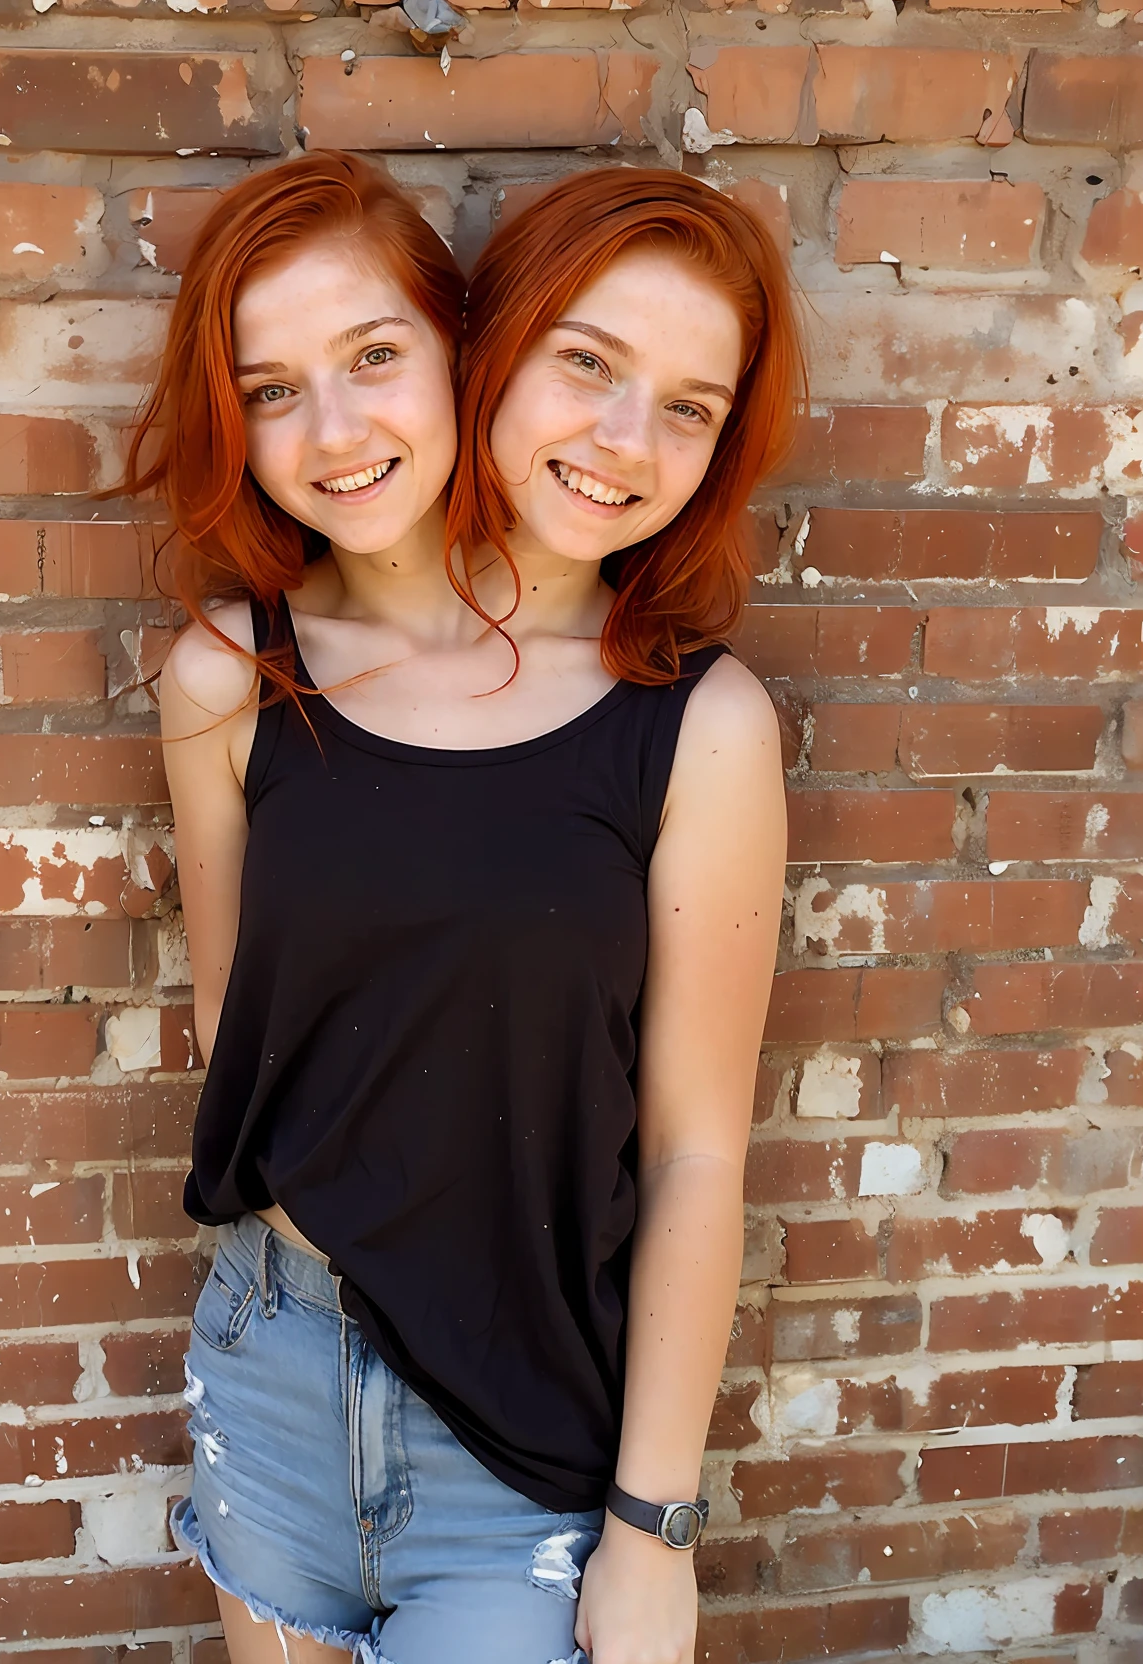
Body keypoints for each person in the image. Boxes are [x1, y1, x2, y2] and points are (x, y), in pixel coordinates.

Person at [137, 154, 800, 1664]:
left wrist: (655, 1527)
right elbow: (246, 1041)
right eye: (588, 364)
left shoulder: (698, 726)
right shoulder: (231, 679)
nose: (625, 441)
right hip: (276, 1363)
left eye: (688, 406)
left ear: (446, 349)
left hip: (525, 1425)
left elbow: (698, 1149)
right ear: (502, 350)